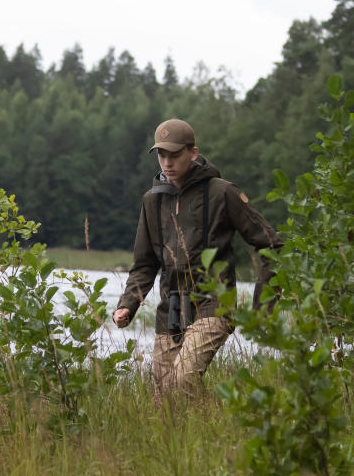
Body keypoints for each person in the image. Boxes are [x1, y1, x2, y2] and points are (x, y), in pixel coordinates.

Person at [112, 118, 282, 399]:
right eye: (161, 155)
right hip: (170, 312)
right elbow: (144, 264)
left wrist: (263, 306)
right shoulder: (151, 201)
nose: (167, 162)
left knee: (182, 383)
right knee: (165, 398)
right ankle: (206, 435)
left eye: (174, 154)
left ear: (193, 152)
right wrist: (127, 304)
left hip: (213, 305)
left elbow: (272, 245)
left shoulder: (223, 192)